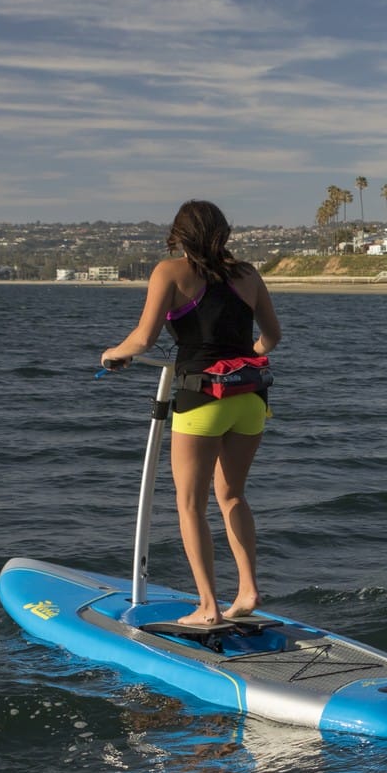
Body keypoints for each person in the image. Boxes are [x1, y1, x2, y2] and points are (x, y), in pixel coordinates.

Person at [102, 200, 283, 627]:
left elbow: (143, 339)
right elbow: (272, 337)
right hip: (250, 396)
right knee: (233, 494)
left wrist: (113, 354)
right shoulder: (248, 274)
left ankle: (208, 606)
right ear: (223, 232)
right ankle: (248, 589)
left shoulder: (170, 272)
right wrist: (242, 359)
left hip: (201, 398)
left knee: (190, 504)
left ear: (179, 236)